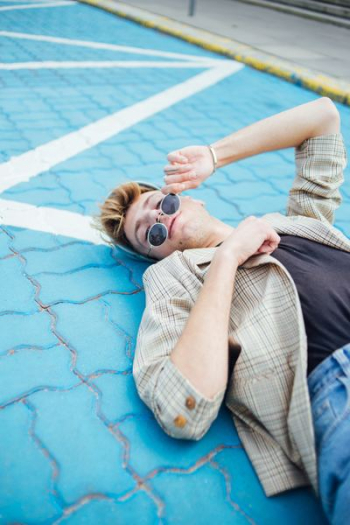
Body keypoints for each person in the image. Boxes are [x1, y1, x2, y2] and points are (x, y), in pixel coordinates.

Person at [96, 97, 349, 524]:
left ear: (191, 198)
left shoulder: (302, 220)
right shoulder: (178, 279)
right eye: (151, 232)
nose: (163, 218)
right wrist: (228, 256)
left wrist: (215, 155)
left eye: (166, 203)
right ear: (155, 256)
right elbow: (181, 407)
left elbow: (323, 117)